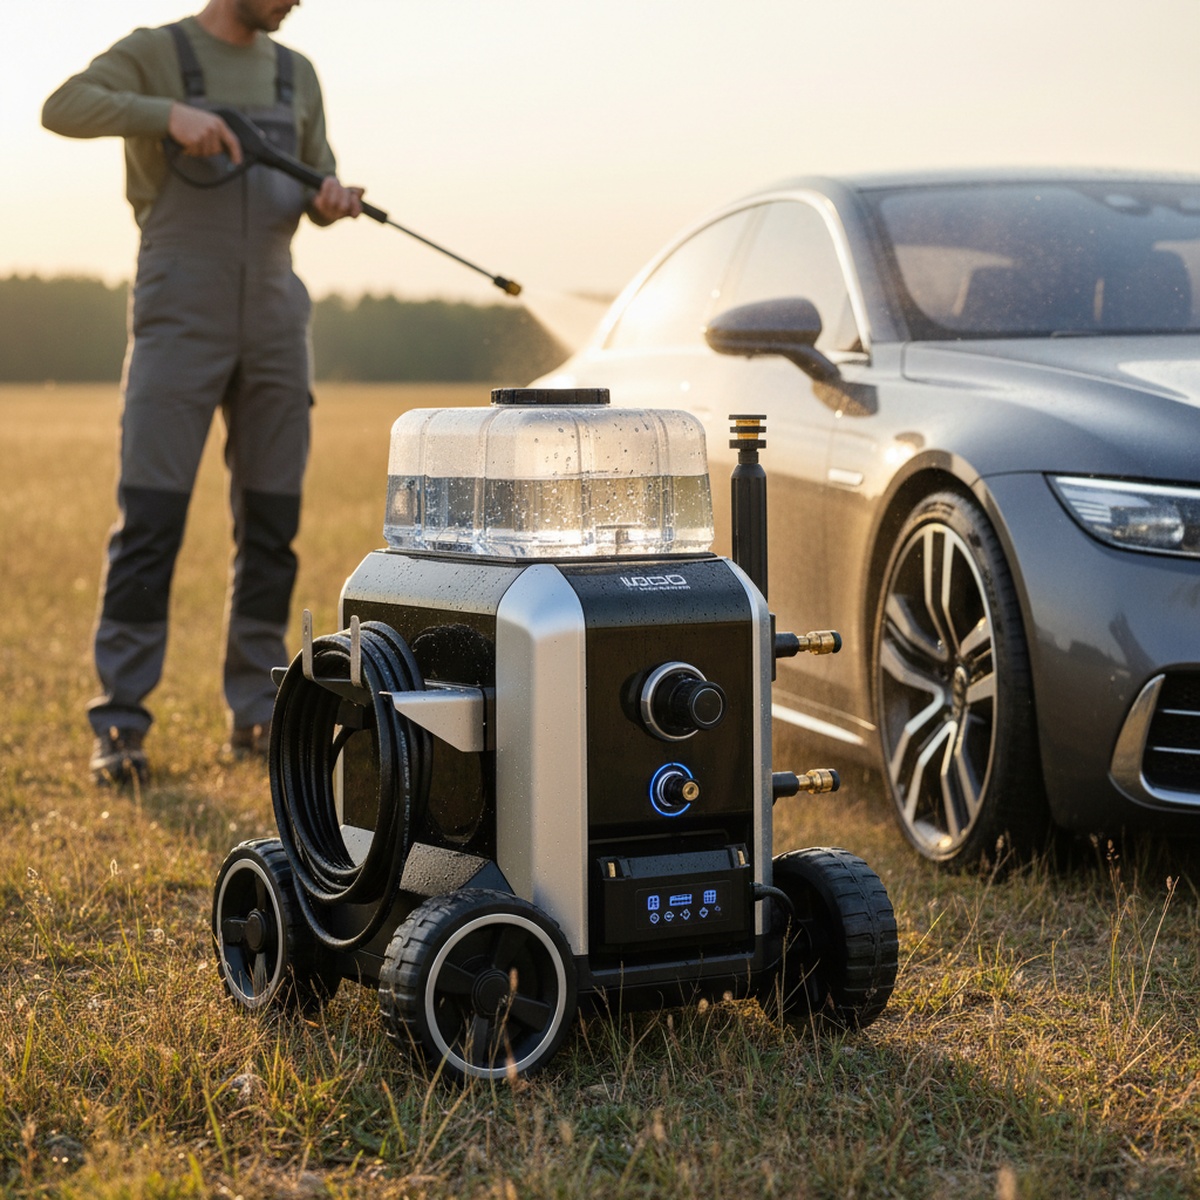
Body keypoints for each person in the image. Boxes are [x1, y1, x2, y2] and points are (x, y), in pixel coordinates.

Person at [42, 0, 363, 786]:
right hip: (179, 304)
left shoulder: (297, 74)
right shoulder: (157, 52)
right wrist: (168, 116)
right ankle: (120, 720)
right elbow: (63, 107)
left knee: (272, 523)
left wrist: (329, 202)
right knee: (151, 518)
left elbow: (312, 177)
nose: (296, 3)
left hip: (277, 311)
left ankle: (256, 708)